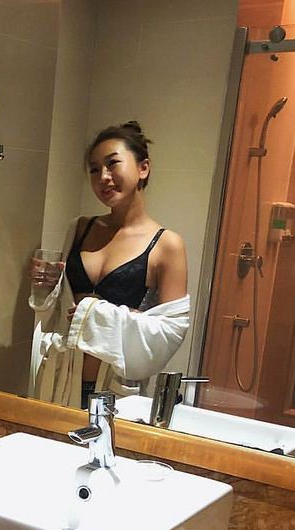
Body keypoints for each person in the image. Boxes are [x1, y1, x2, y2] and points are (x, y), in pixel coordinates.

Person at [28, 121, 190, 408]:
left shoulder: (167, 245)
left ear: (143, 168)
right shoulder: (80, 228)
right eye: (94, 169)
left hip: (114, 390)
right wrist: (51, 283)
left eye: (113, 164)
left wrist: (101, 314)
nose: (103, 177)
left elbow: (170, 331)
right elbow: (61, 305)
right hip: (59, 377)